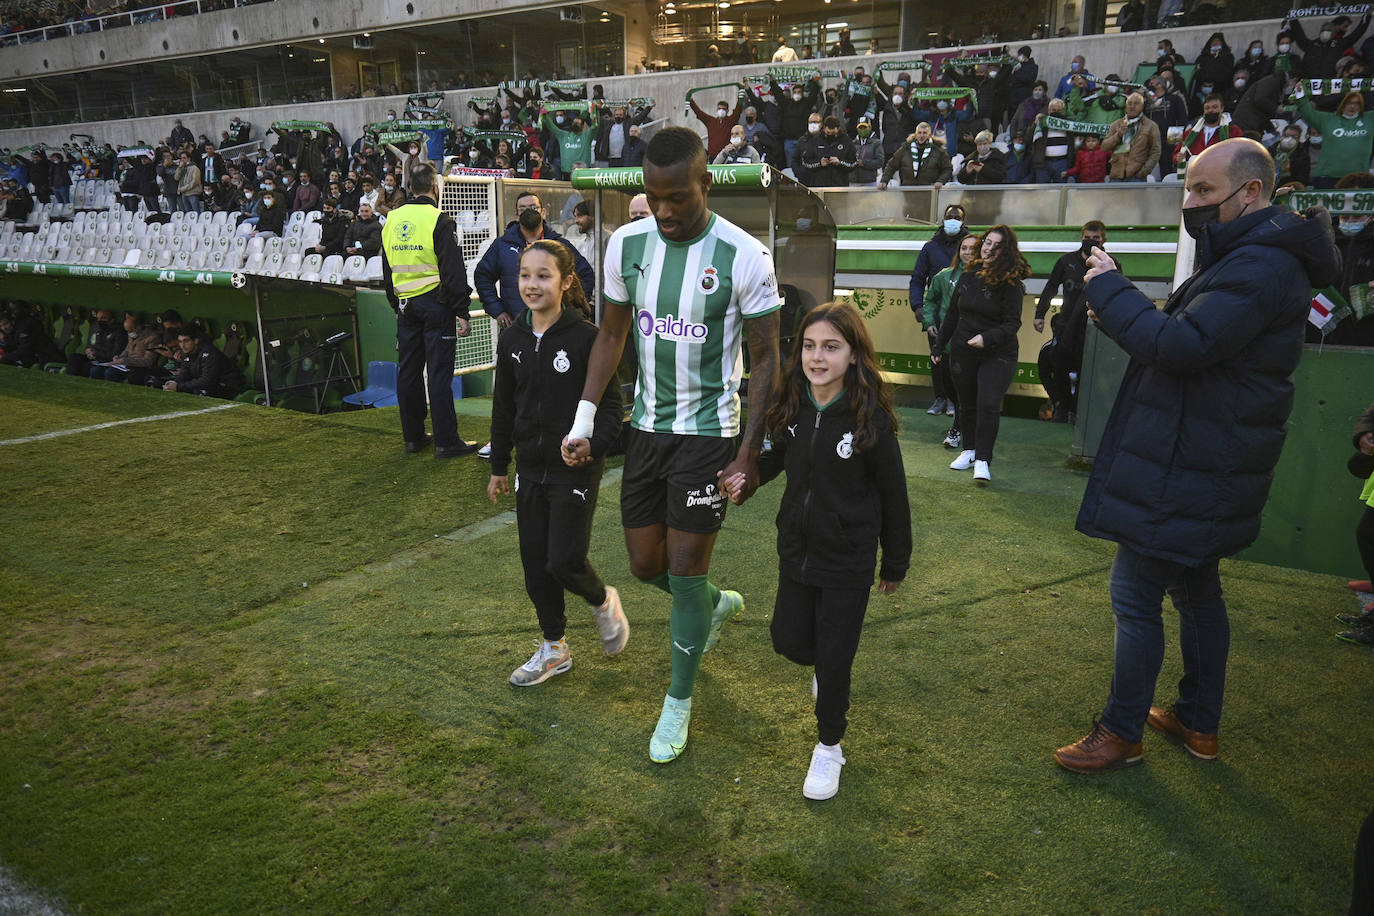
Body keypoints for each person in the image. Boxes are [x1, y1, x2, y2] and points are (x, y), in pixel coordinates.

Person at [1053, 138, 1340, 773]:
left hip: (1193, 464)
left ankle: (1122, 731)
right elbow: (1197, 345)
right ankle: (1196, 722)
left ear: (1253, 193)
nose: (1191, 203)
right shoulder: (1254, 257)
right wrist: (1129, 313)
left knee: (1135, 594)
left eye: (1203, 192)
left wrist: (1112, 292)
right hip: (1206, 459)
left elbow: (1182, 347)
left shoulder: (1260, 265)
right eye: (1188, 188)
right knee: (1196, 592)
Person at [560, 127, 781, 764]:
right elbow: (611, 338)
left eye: (678, 198)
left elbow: (767, 358)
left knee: (684, 573)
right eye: (654, 198)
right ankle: (716, 606)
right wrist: (582, 419)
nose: (664, 212)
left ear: (704, 185)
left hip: (710, 434)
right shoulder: (626, 244)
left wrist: (748, 451)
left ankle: (678, 701)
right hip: (648, 430)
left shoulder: (745, 256)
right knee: (643, 566)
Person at [721, 301, 910, 800]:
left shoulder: (870, 419)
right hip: (797, 552)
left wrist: (895, 562)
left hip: (847, 561)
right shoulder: (795, 405)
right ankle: (824, 677)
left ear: (854, 355)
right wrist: (748, 478)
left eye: (831, 347)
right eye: (809, 346)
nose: (817, 357)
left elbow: (894, 496)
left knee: (834, 661)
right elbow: (779, 458)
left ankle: (829, 747)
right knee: (789, 642)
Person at [488, 240, 629, 685]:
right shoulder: (511, 338)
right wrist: (498, 466)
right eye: (525, 275)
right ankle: (554, 648)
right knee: (535, 566)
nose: (532, 284)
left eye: (543, 275)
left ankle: (603, 600)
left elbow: (611, 412)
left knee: (564, 561)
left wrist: (593, 444)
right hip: (530, 470)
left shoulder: (588, 339)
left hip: (575, 471)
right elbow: (503, 408)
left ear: (566, 282)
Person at [380, 162, 478, 458]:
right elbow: (452, 270)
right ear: (436, 188)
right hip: (436, 306)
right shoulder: (439, 219)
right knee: (438, 374)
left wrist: (396, 305)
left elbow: (386, 271)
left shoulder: (392, 220)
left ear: (409, 189)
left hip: (405, 306)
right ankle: (446, 442)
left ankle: (413, 437)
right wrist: (461, 310)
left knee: (408, 373)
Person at [933, 225, 1031, 485]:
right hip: (963, 351)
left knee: (988, 403)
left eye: (996, 245)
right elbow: (953, 314)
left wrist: (986, 338)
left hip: (999, 353)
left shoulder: (1011, 284)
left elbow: (1012, 324)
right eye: (987, 242)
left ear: (1005, 251)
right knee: (966, 403)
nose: (989, 248)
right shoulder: (968, 275)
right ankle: (968, 450)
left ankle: (983, 460)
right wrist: (939, 346)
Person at [1035, 222, 1118, 422]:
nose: (1090, 241)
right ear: (1082, 237)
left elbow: (1118, 294)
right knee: (1059, 365)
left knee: (1087, 371)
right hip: (1065, 325)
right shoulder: (1066, 261)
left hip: (1093, 326)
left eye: (1095, 238)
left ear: (1103, 240)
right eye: (1087, 237)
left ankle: (1076, 410)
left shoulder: (1110, 264)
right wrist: (1040, 314)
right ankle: (1062, 406)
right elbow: (1051, 288)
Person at [924, 234, 978, 438]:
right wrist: (928, 322)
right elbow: (930, 301)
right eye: (964, 248)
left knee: (968, 389)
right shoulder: (943, 276)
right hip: (948, 342)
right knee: (949, 385)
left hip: (973, 343)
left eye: (973, 249)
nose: (968, 253)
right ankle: (959, 418)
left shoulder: (987, 278)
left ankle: (959, 428)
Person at [1297, 91, 1374, 189]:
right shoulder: (1328, 119)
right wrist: (1301, 93)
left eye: (1356, 103)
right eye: (1348, 103)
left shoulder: (1370, 118)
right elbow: (1307, 111)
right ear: (1342, 103)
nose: (1352, 106)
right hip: (1327, 177)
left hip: (1358, 178)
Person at [908, 204, 969, 317]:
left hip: (964, 313)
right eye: (949, 217)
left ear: (963, 222)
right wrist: (917, 305)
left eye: (957, 218)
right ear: (943, 220)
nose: (952, 221)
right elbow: (918, 279)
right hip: (937, 312)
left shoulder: (971, 247)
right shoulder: (930, 247)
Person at [161, 327, 244, 398]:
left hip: (228, 386)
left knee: (199, 391)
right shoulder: (186, 353)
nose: (182, 345)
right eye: (180, 341)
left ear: (196, 341)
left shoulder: (209, 353)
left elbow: (207, 380)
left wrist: (178, 386)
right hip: (209, 385)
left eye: (186, 341)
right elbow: (184, 374)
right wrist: (175, 382)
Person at [877, 121, 953, 190]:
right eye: (919, 133)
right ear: (916, 134)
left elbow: (948, 169)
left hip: (930, 191)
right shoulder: (905, 149)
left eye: (924, 133)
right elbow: (891, 165)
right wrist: (884, 181)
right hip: (908, 191)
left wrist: (940, 181)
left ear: (929, 135)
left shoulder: (939, 150)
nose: (921, 135)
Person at [1102, 92, 1161, 181]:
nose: (1132, 106)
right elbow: (1104, 147)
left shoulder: (1151, 126)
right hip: (1116, 175)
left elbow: (1156, 152)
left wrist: (1143, 172)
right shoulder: (1116, 124)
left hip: (1137, 176)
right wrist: (1118, 135)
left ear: (1142, 106)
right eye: (1129, 103)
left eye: (1136, 103)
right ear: (1126, 106)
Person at [798, 115, 856, 186]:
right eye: (828, 133)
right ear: (824, 128)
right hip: (819, 185)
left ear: (838, 128)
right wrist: (820, 163)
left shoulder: (846, 141)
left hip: (840, 186)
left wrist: (840, 163)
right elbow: (805, 162)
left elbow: (854, 163)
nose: (830, 134)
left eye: (833, 133)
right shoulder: (815, 141)